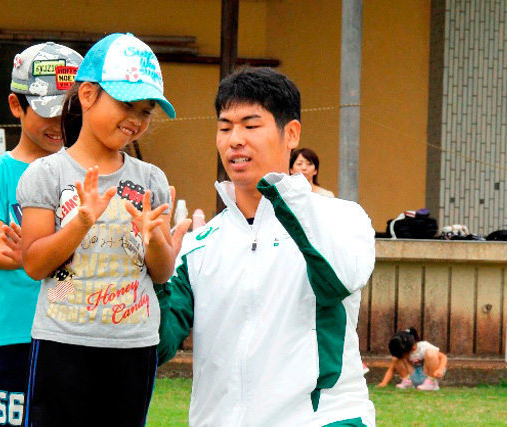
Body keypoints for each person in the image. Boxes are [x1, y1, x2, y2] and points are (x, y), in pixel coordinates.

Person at [156, 67, 376, 427]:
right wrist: (151, 273)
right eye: (225, 127)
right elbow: (159, 346)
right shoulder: (197, 245)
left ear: (291, 134)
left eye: (250, 125)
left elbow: (337, 279)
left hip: (324, 419)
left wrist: (282, 190)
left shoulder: (342, 218)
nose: (234, 140)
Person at [16, 33, 176, 426]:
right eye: (125, 104)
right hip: (63, 341)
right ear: (87, 95)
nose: (136, 120)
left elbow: (163, 271)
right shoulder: (47, 175)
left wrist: (154, 238)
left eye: (146, 111)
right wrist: (81, 222)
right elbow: (36, 265)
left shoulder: (150, 179)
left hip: (134, 345)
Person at [0, 42, 83, 426]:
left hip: (77, 327)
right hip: (20, 331)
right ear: (17, 105)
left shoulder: (83, 173)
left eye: (70, 112)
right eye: (48, 112)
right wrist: (34, 254)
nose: (58, 124)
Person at [377, 327, 447, 391]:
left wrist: (440, 369)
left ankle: (431, 383)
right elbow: (392, 368)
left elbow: (443, 357)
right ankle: (407, 382)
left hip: (428, 374)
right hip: (413, 376)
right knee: (395, 358)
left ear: (412, 348)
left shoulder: (424, 346)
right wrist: (384, 383)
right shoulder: (402, 353)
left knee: (431, 353)